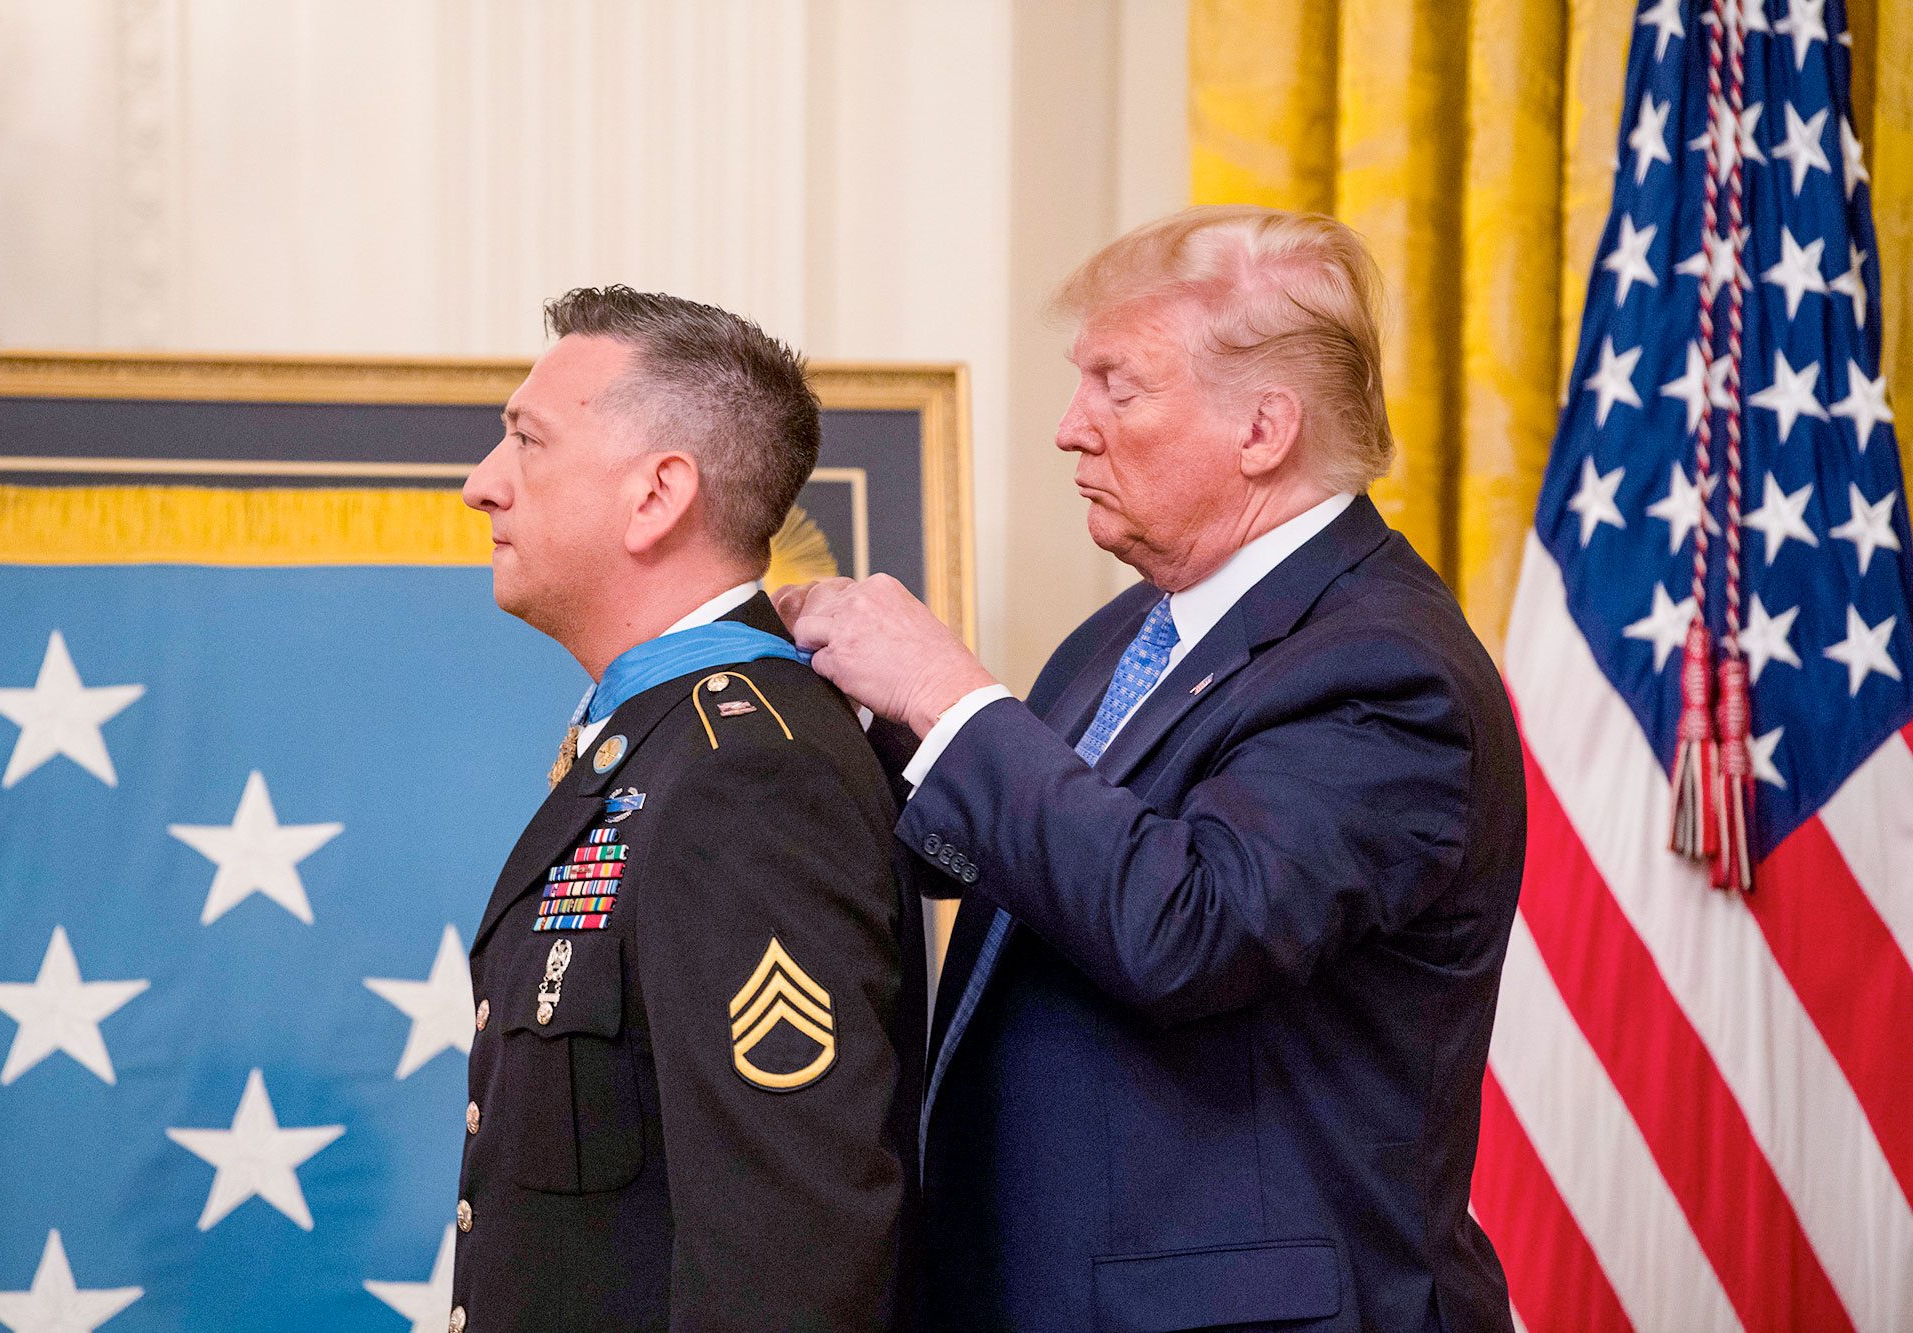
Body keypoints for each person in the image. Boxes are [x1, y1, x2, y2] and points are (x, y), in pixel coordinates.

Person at [777, 206, 1525, 1331]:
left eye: (1117, 389)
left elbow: (1185, 928)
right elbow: (1033, 867)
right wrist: (878, 721)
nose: (1071, 428)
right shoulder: (1135, 629)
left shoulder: (1382, 668)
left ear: (1263, 428)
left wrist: (948, 698)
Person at [454, 286, 922, 1333]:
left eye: (526, 441)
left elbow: (789, 1253)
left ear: (657, 495)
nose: (480, 487)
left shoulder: (745, 774)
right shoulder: (667, 741)